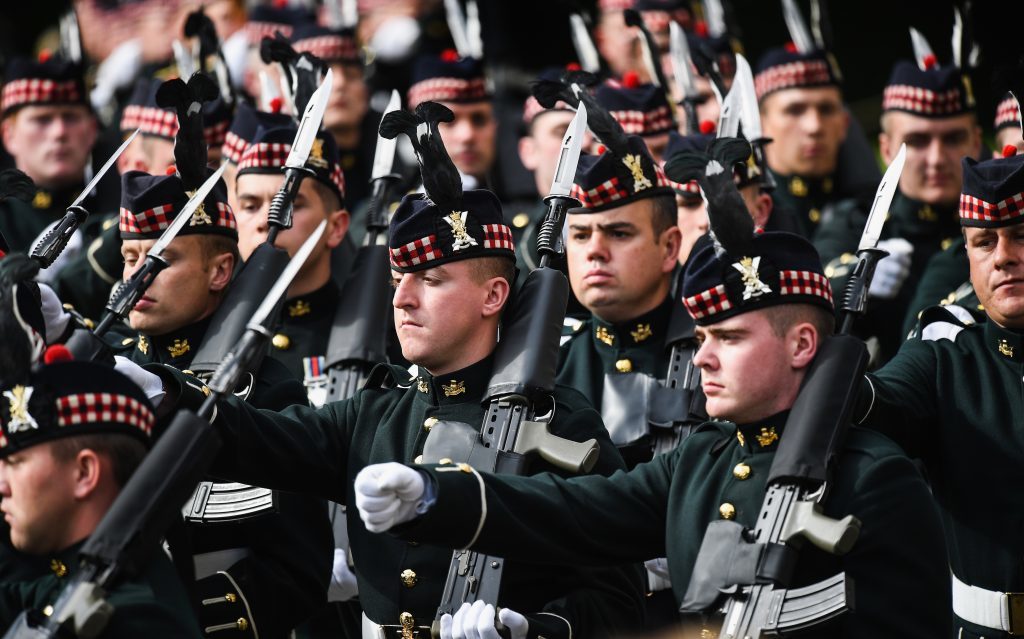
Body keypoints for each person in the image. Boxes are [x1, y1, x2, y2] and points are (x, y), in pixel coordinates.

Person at [139, 137, 645, 637]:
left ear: (493, 295)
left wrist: (534, 631)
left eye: (431, 280)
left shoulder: (558, 422)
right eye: (398, 278)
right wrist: (158, 389)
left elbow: (617, 597)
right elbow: (252, 437)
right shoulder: (376, 415)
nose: (402, 299)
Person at [353, 223, 952, 638]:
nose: (704, 360)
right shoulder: (703, 459)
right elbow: (575, 510)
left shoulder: (877, 480)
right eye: (701, 340)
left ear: (801, 345)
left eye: (731, 339)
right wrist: (436, 495)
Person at [109, 167, 335, 638]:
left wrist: (172, 618)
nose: (136, 276)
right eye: (129, 258)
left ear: (219, 271)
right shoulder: (110, 373)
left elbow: (298, 571)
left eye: (159, 260)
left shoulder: (265, 391)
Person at [857, 150, 1024, 638]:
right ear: (967, 256)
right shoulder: (943, 351)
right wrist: (834, 376)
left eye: (1020, 236)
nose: (1003, 256)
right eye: (984, 242)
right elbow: (881, 403)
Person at [0, 260, 200, 635]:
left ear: (84, 473)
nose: (2, 485)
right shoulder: (61, 587)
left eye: (17, 462)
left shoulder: (135, 621)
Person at [828, 48, 982, 360]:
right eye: (918, 141)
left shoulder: (1010, 228)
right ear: (885, 148)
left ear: (977, 142)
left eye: (952, 139)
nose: (937, 159)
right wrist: (851, 283)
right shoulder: (857, 225)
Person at [233, 124, 350, 387]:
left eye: (291, 205)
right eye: (250, 206)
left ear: (336, 227)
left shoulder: (371, 336)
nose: (266, 220)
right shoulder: (207, 327)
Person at [0, 54, 118, 253]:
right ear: (9, 135)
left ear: (92, 130)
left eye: (70, 117)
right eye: (42, 120)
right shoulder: (5, 221)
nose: (59, 132)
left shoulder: (120, 205)